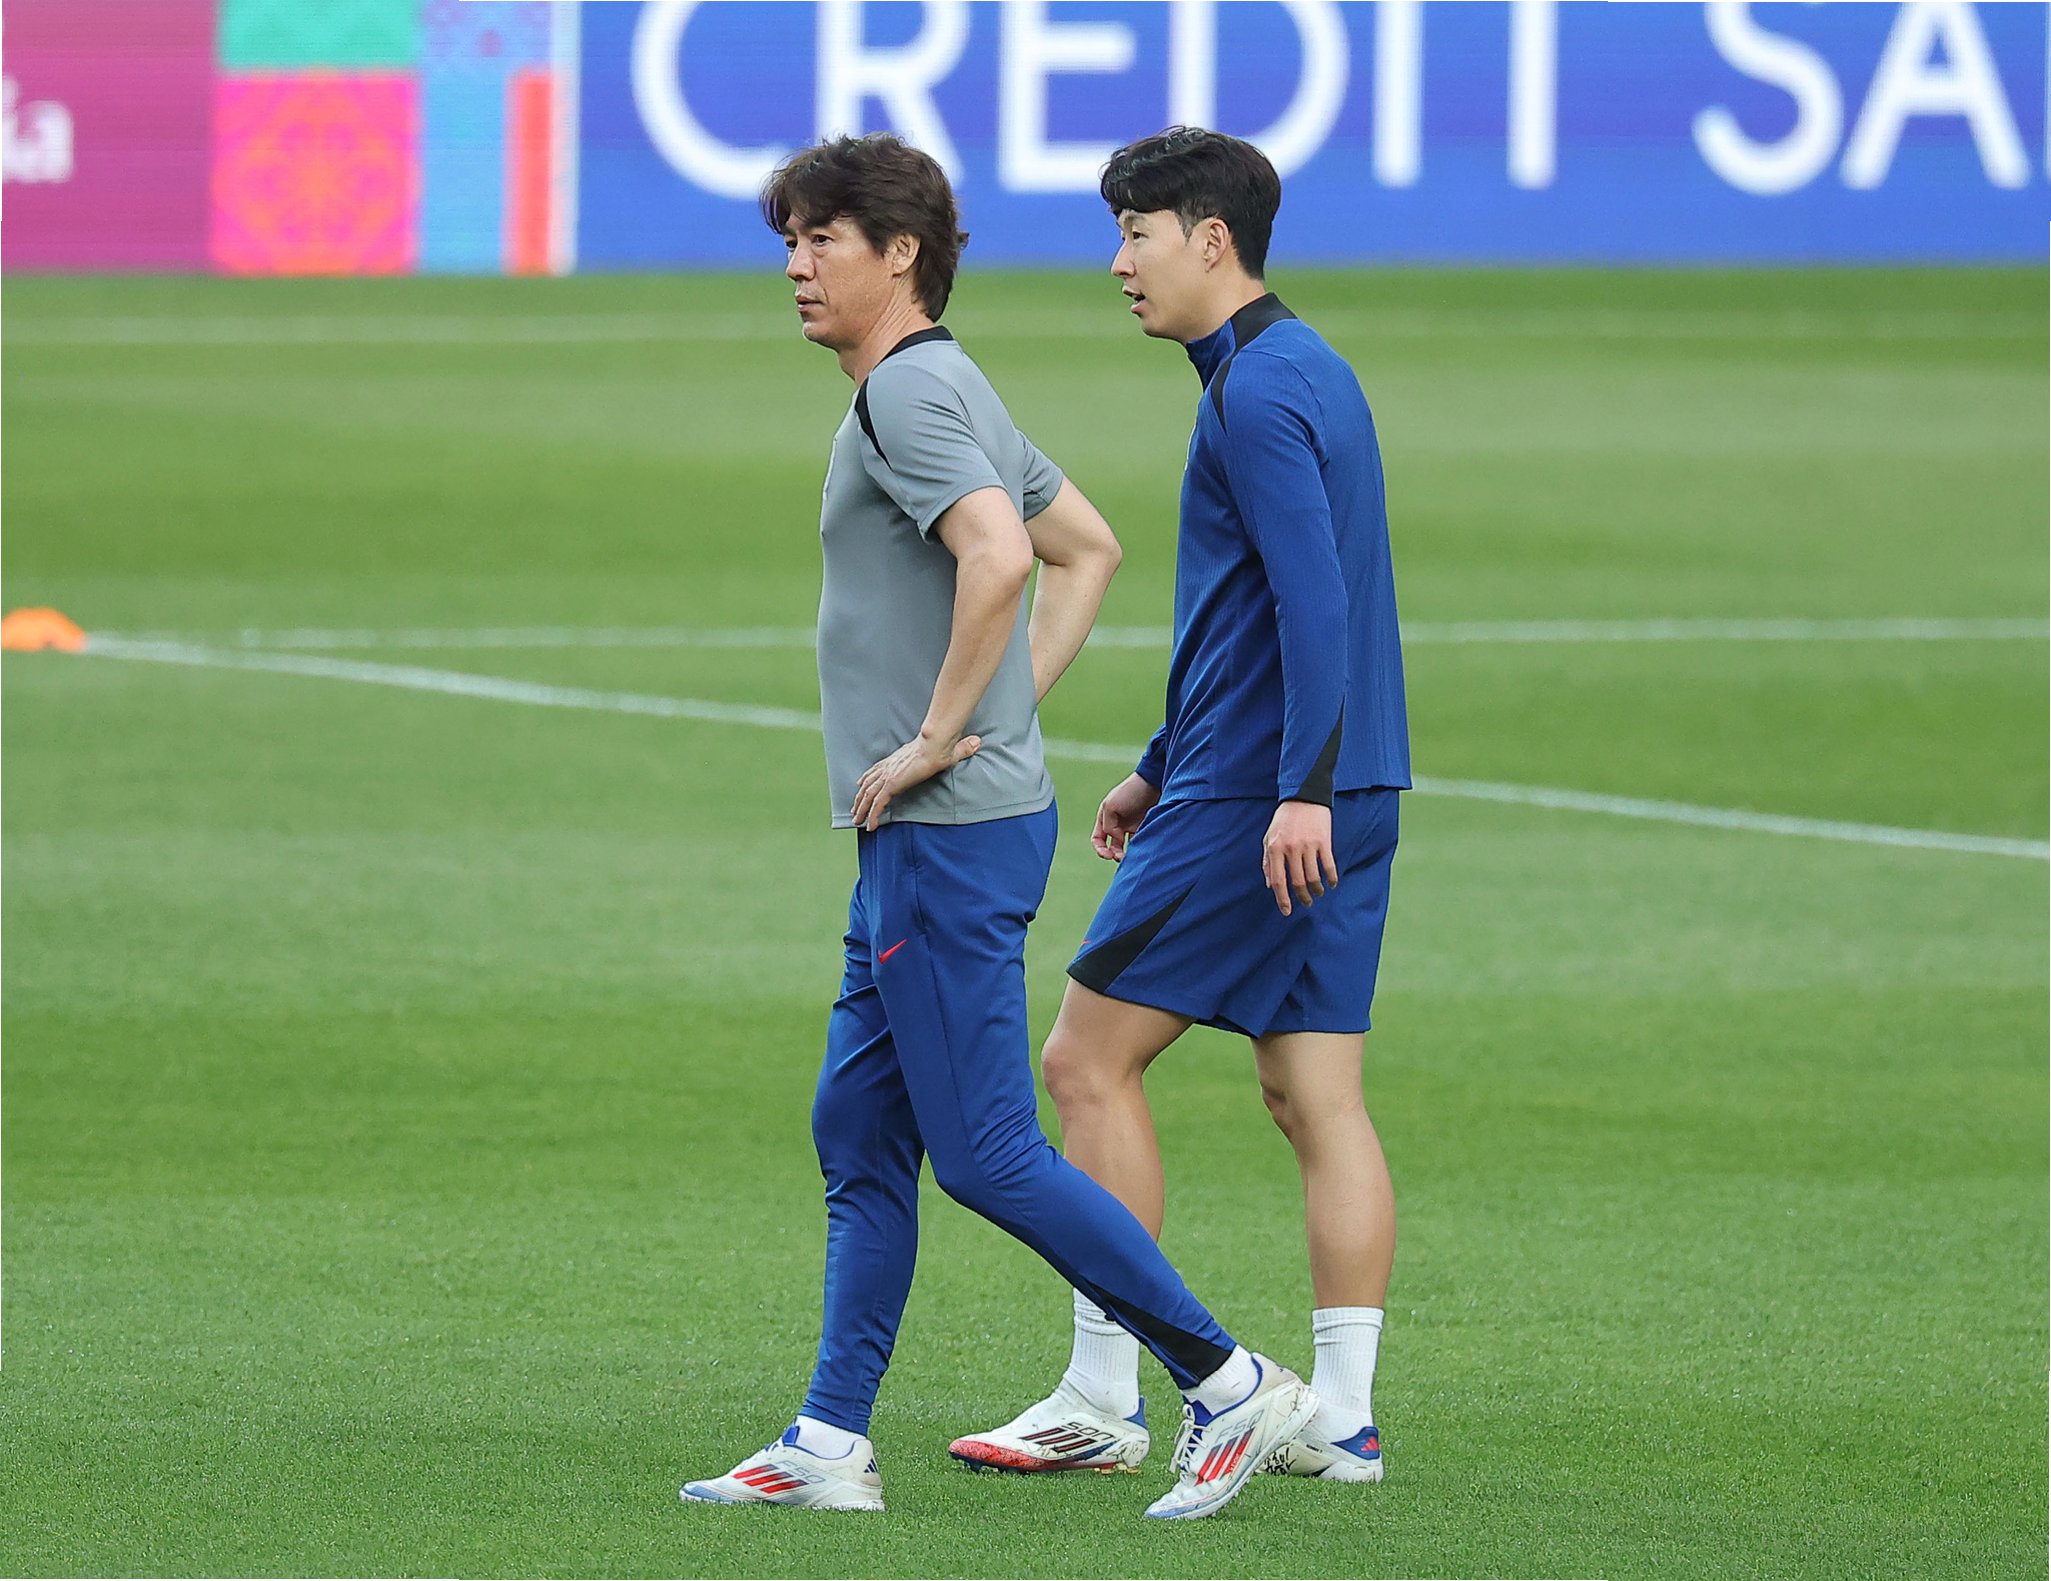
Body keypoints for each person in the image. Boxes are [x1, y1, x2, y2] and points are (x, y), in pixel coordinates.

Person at [680, 133, 1316, 1523]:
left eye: (822, 240)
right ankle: (830, 1439)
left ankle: (1228, 1380)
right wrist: (1000, 713)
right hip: (939, 831)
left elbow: (1007, 551)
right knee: (860, 1126)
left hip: (947, 834)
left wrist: (939, 733)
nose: (796, 267)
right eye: (789, 242)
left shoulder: (910, 396)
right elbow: (1091, 544)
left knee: (984, 1153)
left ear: (900, 253)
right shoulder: (943, 378)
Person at [949, 127, 1410, 1487]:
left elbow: (1314, 603)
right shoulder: (1308, 366)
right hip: (1344, 782)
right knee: (1315, 1091)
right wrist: (1162, 757)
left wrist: (1288, 791)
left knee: (1083, 1063)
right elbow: (1261, 609)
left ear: (1212, 239)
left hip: (1265, 795)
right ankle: (1343, 1419)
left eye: (1137, 233)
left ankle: (1108, 1393)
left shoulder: (1255, 393)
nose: (1119, 261)